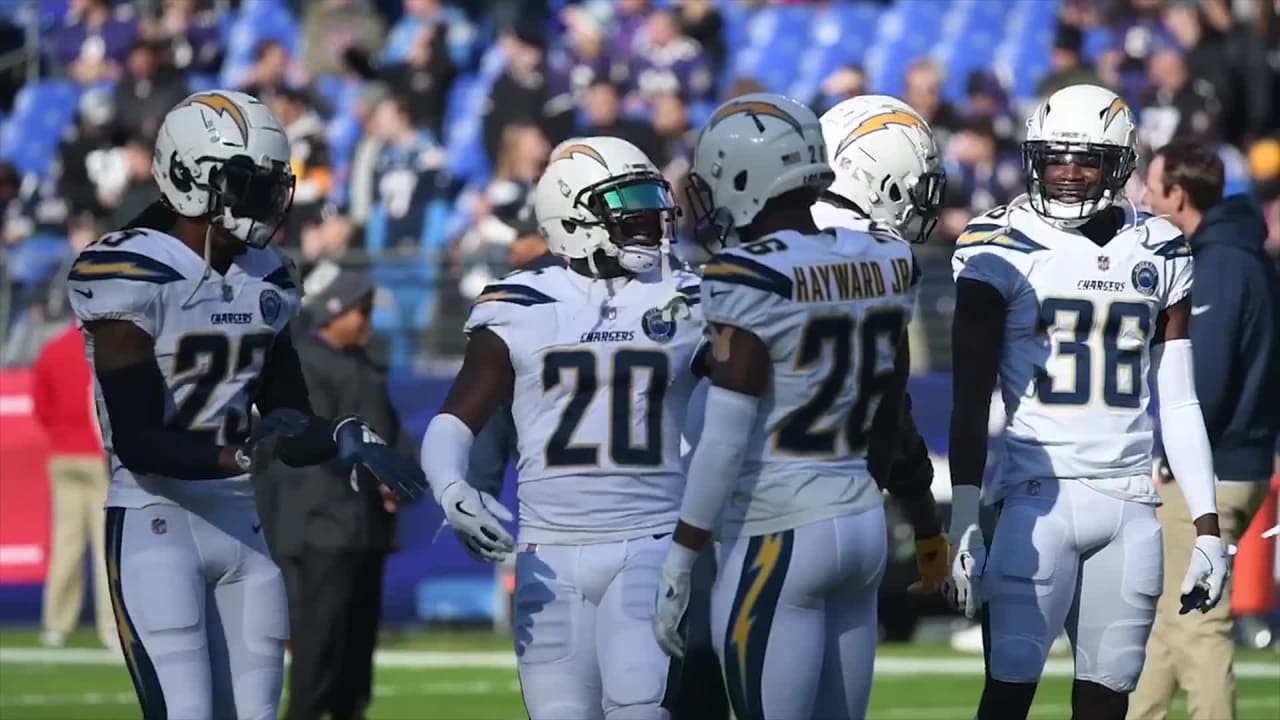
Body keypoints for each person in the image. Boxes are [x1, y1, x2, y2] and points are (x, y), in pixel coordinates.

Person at [65, 89, 427, 719]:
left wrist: (339, 436)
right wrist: (242, 452)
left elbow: (286, 416)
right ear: (190, 177)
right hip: (156, 522)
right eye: (247, 182)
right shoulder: (131, 270)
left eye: (271, 184)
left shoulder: (269, 276)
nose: (267, 201)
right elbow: (139, 440)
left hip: (243, 529)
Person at [945, 84, 1229, 720]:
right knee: (1008, 694)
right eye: (1054, 157)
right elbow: (970, 393)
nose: (1067, 172)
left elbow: (1178, 399)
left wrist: (1209, 528)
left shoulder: (1159, 245)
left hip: (1130, 501)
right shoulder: (998, 242)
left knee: (1109, 702)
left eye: (1086, 159)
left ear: (1120, 161)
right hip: (1033, 498)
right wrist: (963, 510)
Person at [652, 93, 919, 720]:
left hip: (778, 532)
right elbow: (891, 408)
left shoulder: (742, 274)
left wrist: (683, 554)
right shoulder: (889, 260)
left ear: (744, 176)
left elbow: (723, 436)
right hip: (860, 525)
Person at [421, 136, 703, 720]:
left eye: (652, 201)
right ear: (575, 215)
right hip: (548, 553)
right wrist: (452, 490)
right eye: (629, 203)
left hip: (647, 542)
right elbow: (455, 418)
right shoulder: (521, 303)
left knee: (638, 708)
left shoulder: (687, 294)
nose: (650, 218)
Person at [1130, 141, 1280, 720]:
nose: (1144, 195)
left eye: (1155, 185)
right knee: (1169, 623)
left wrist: (1171, 457)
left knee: (1198, 624)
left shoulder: (1218, 265)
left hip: (1209, 471)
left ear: (1179, 196)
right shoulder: (1248, 255)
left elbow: (1203, 381)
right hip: (1240, 462)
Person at [812, 94, 951, 596]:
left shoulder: (767, 247)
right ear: (881, 175)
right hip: (856, 512)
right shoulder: (891, 261)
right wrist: (926, 520)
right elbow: (892, 409)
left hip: (770, 511)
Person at [255, 262, 403, 720]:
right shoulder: (303, 366)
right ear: (334, 310)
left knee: (355, 657)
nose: (366, 321)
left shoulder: (364, 364)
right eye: (359, 310)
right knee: (319, 648)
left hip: (360, 528)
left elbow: (390, 434)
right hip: (320, 525)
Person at [31, 323, 116, 650]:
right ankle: (110, 628)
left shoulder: (53, 348)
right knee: (104, 545)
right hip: (97, 454)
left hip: (62, 454)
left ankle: (56, 624)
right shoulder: (107, 346)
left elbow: (40, 404)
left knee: (66, 543)